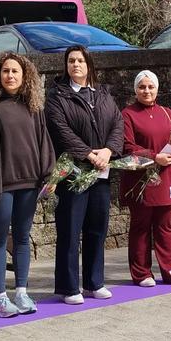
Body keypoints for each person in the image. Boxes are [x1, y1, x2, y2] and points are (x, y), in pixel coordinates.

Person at [0, 52, 55, 317]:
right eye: (5, 71)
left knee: (22, 238)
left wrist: (49, 175)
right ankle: (0, 298)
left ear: (24, 75)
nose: (10, 76)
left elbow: (43, 141)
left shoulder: (33, 105)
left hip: (30, 183)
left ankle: (21, 292)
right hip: (3, 185)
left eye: (15, 71)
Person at [46, 45, 124, 303]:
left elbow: (118, 124)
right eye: (71, 61)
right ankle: (69, 287)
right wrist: (89, 154)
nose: (75, 65)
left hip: (101, 172)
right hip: (74, 172)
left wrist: (109, 151)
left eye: (80, 60)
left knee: (97, 228)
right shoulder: (57, 96)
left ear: (89, 64)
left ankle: (94, 282)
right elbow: (61, 130)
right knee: (70, 231)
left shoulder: (103, 94)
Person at [121, 70, 171, 286]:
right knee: (141, 226)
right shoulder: (127, 114)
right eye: (142, 87)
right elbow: (128, 146)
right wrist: (154, 157)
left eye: (151, 87)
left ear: (157, 89)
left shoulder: (167, 113)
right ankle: (142, 273)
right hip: (141, 180)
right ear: (135, 90)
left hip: (166, 177)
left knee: (165, 226)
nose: (146, 91)